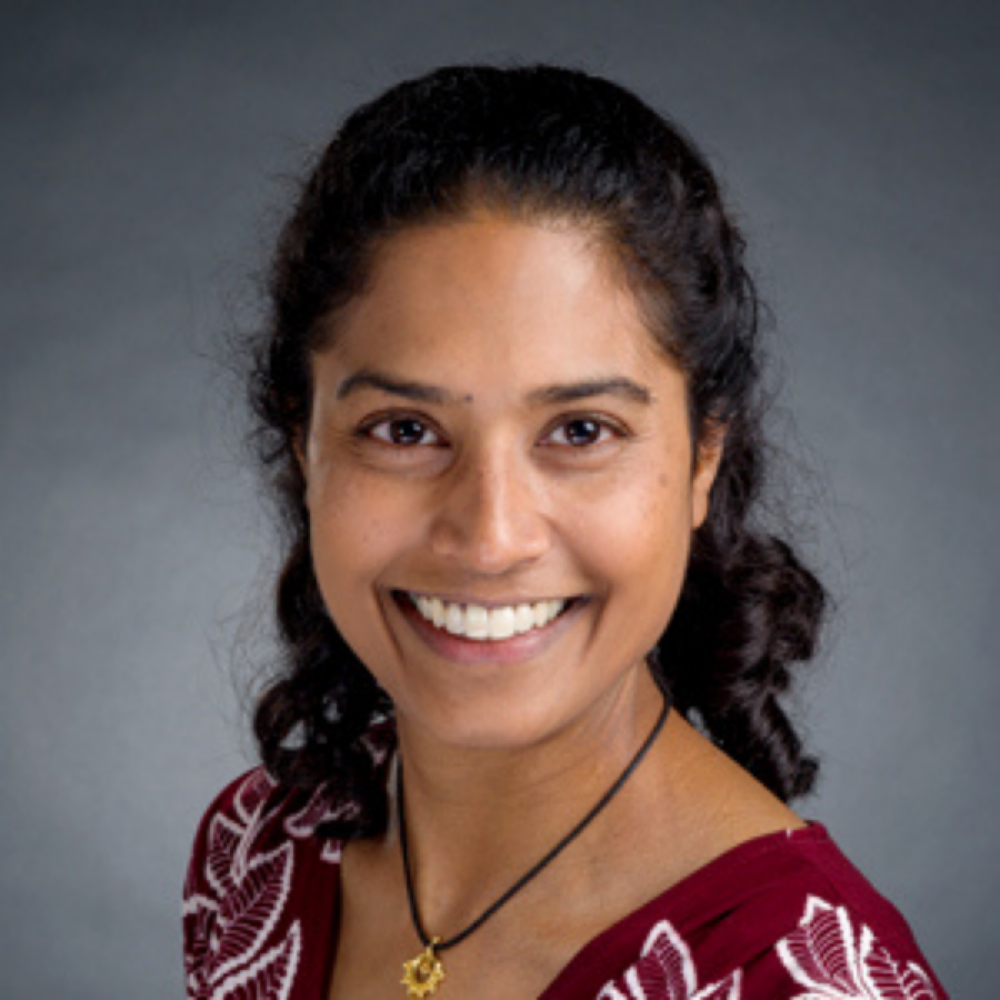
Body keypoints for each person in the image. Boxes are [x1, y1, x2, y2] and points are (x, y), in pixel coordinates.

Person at [182, 64, 947, 999]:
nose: (491, 536)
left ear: (704, 460)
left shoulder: (798, 979)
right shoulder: (257, 852)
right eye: (405, 430)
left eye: (581, 431)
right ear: (306, 451)